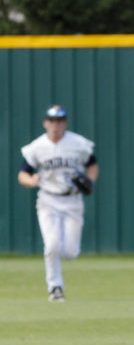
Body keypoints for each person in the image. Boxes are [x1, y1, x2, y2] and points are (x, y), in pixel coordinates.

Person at [17, 105, 99, 302]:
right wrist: (31, 181)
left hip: (72, 200)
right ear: (46, 123)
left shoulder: (77, 143)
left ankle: (59, 270)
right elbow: (23, 174)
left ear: (65, 123)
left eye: (60, 120)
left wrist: (90, 181)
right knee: (52, 245)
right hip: (48, 200)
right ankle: (55, 287)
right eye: (52, 120)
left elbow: (92, 164)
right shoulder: (37, 147)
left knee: (70, 252)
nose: (56, 125)